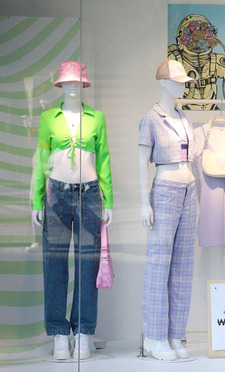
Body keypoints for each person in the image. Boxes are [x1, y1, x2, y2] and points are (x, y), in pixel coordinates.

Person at [32, 60, 113, 360]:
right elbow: (42, 160)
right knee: (53, 264)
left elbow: (103, 158)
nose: (73, 87)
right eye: (67, 82)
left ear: (83, 85)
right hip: (56, 194)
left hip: (90, 194)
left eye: (77, 82)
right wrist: (36, 200)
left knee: (87, 265)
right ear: (60, 85)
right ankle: (58, 333)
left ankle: (83, 331)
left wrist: (109, 200)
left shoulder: (97, 118)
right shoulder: (48, 118)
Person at [138, 60, 197, 361]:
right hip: (164, 190)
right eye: (177, 81)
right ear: (163, 82)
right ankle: (155, 336)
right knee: (159, 264)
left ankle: (175, 334)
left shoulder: (185, 119)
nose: (181, 85)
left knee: (183, 266)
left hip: (189, 189)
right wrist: (142, 201)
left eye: (183, 81)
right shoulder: (151, 119)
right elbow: (141, 162)